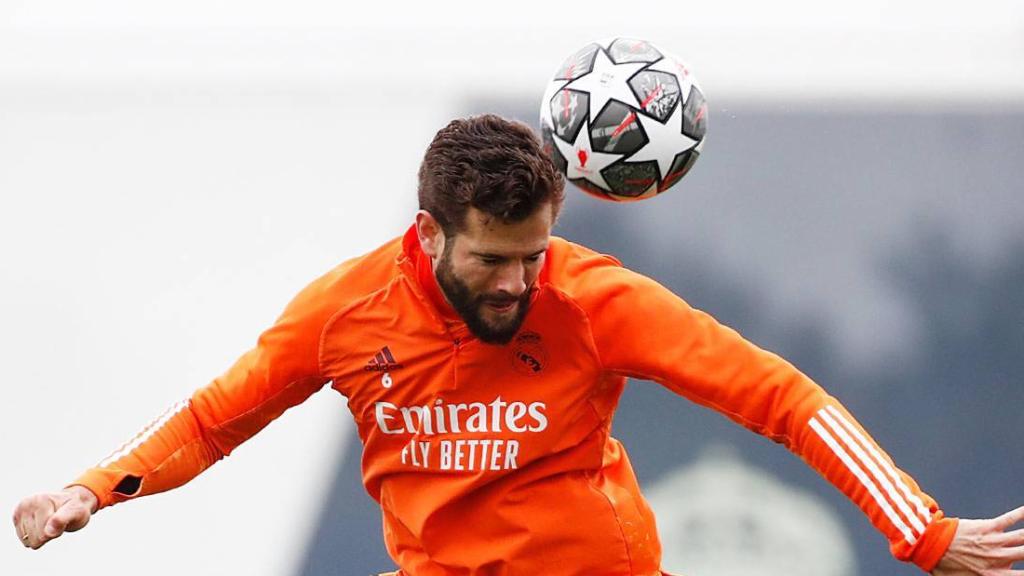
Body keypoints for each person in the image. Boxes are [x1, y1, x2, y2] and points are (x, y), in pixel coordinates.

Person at [12, 114, 1024, 575]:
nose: (517, 282)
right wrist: (88, 492)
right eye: (494, 259)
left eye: (533, 254)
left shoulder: (593, 298)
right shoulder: (342, 312)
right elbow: (211, 418)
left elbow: (779, 395)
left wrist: (924, 533)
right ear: (429, 231)